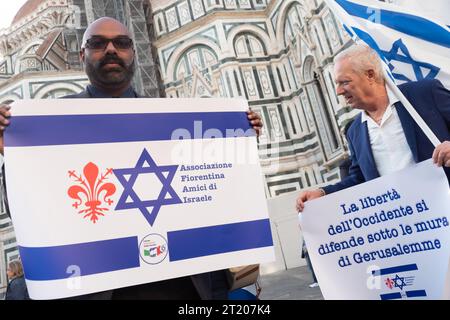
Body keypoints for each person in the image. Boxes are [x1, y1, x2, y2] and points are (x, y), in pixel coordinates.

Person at [0, 17, 263, 300]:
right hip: (100, 287)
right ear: (82, 55)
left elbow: (211, 187)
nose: (111, 49)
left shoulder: (172, 117)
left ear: (133, 53)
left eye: (122, 43)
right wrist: (12, 154)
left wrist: (239, 142)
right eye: (98, 43)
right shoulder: (49, 122)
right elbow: (28, 208)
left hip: (182, 283)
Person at [297, 44, 450, 212]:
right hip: (407, 225)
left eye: (345, 82)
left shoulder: (424, 94)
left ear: (370, 75)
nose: (339, 91)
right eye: (337, 84)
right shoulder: (354, 131)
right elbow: (359, 180)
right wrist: (322, 193)